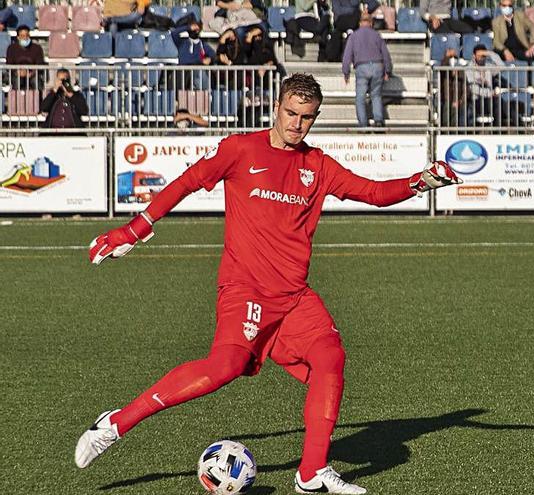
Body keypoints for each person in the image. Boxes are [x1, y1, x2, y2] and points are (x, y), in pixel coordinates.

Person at [74, 73, 462, 495]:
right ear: (276, 107)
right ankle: (114, 424)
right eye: (291, 113)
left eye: (307, 118)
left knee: (331, 358)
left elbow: (373, 192)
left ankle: (311, 473)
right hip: (247, 290)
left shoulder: (318, 166)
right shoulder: (240, 149)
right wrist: (134, 229)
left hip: (294, 297)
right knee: (225, 367)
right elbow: (187, 182)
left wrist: (420, 181)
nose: (297, 124)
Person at [341, 12, 392, 127]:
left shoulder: (354, 36)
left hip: (362, 67)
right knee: (376, 95)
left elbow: (347, 55)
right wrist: (387, 71)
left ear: (360, 23)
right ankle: (378, 120)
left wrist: (346, 72)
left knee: (360, 98)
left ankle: (363, 124)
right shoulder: (376, 35)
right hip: (377, 66)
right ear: (371, 23)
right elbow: (385, 54)